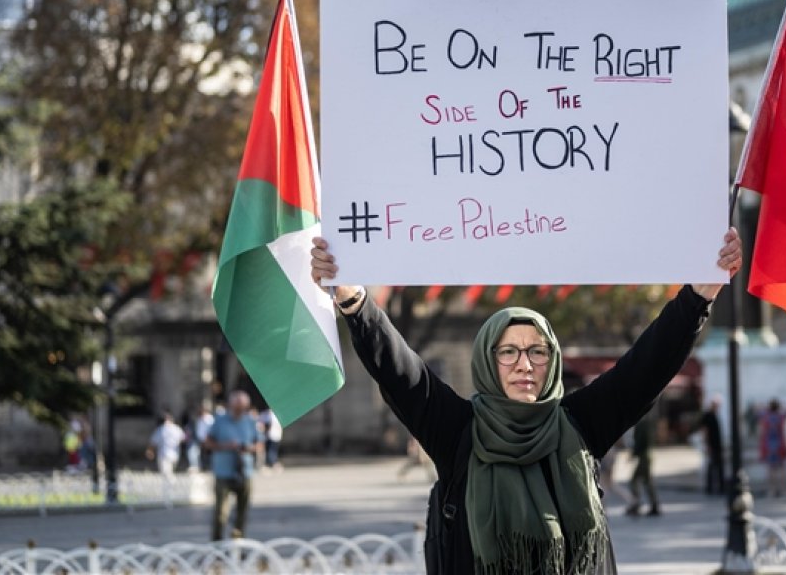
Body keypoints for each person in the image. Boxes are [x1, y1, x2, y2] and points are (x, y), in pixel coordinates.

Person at [310, 228, 742, 574]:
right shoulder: (458, 430)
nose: (524, 364)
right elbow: (400, 372)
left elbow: (645, 369)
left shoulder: (580, 424)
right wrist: (353, 299)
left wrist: (698, 295)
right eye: (508, 351)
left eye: (538, 351)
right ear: (487, 360)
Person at [204, 390, 263, 540]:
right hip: (223, 472)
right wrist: (226, 446)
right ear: (230, 406)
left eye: (242, 408)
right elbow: (208, 443)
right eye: (236, 408)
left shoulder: (250, 421)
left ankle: (239, 543)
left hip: (245, 471)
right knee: (221, 513)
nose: (239, 411)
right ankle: (216, 545)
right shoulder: (220, 420)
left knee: (242, 512)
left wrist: (249, 448)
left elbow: (259, 444)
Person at [625, 406, 661, 517]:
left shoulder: (642, 424)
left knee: (634, 480)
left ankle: (636, 504)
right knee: (647, 481)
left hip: (643, 457)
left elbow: (640, 442)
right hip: (647, 456)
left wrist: (633, 454)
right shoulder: (648, 424)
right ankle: (653, 504)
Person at [757, 399, 786, 498]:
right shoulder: (781, 417)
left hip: (769, 444)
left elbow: (757, 408)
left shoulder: (765, 417)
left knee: (771, 469)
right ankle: (783, 490)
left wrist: (766, 407)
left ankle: (772, 490)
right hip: (779, 444)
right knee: (781, 468)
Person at [147, 410, 186, 477]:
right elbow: (183, 439)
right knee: (170, 473)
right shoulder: (177, 429)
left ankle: (171, 486)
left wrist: (150, 451)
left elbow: (153, 442)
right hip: (175, 455)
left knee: (167, 475)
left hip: (164, 455)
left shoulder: (160, 429)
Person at [699, 394, 724, 495]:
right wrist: (707, 445)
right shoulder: (707, 415)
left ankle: (719, 487)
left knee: (719, 467)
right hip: (712, 445)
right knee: (712, 467)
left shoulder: (715, 415)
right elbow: (705, 431)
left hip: (717, 445)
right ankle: (710, 488)